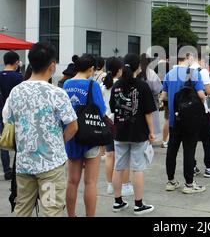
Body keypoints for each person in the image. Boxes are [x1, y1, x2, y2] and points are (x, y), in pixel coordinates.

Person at [2, 42, 78, 217]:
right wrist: (59, 141)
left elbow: (8, 119)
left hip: (24, 165)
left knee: (22, 208)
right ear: (52, 66)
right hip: (51, 166)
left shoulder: (16, 92)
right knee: (51, 211)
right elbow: (73, 126)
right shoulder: (57, 93)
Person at [109, 53, 156, 214]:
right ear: (139, 67)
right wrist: (151, 132)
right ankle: (138, 204)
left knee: (118, 167)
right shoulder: (142, 86)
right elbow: (148, 113)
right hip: (138, 133)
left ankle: (117, 202)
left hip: (120, 131)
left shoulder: (116, 86)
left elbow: (113, 108)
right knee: (138, 169)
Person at [64, 54, 107, 217]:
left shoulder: (66, 84)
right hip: (90, 136)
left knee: (72, 181)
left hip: (71, 135)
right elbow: (101, 110)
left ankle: (71, 215)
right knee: (90, 182)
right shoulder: (92, 85)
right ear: (91, 69)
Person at [162, 55, 207, 194]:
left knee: (172, 150)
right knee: (189, 151)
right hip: (190, 121)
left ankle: (171, 181)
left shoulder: (169, 74)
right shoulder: (194, 74)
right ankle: (189, 184)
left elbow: (163, 96)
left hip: (174, 119)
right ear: (188, 57)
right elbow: (201, 94)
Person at [100, 57, 134, 197]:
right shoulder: (122, 85)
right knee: (123, 156)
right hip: (120, 123)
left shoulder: (103, 86)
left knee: (109, 155)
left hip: (107, 122)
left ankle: (110, 185)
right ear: (119, 70)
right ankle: (125, 185)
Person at [0, 51, 23, 181]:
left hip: (0, 113)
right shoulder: (18, 77)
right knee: (18, 142)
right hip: (14, 114)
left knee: (4, 141)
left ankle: (7, 171)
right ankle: (16, 170)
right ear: (16, 62)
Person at [138, 54, 163, 137]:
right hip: (151, 101)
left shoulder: (137, 72)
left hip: (138, 102)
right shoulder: (151, 73)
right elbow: (158, 89)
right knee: (151, 122)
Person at [155, 58, 170, 148]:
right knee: (168, 119)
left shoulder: (156, 76)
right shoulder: (168, 75)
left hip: (159, 98)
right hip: (167, 97)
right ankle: (164, 140)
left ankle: (163, 140)